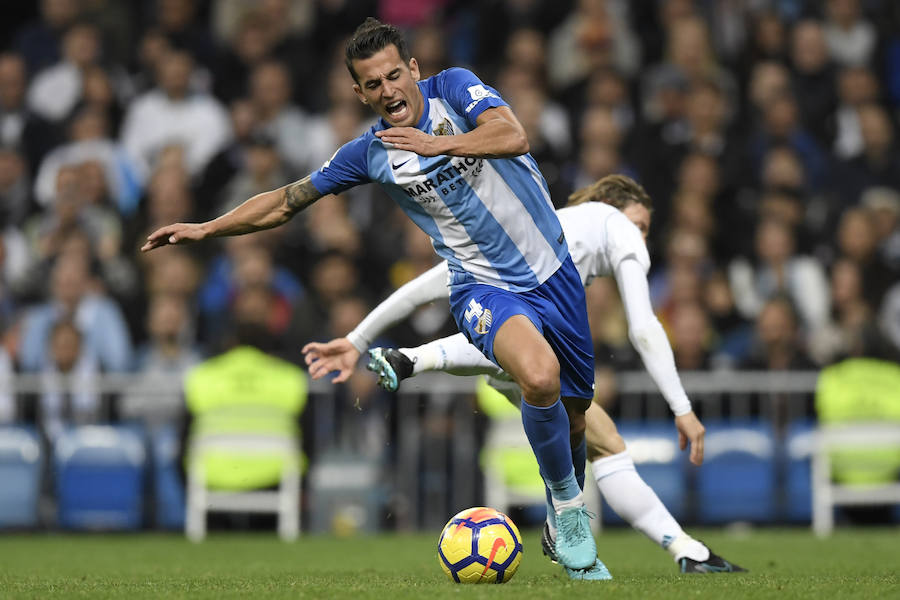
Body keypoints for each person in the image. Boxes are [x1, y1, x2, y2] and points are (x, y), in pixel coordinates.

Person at [141, 18, 603, 579]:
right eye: (372, 84)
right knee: (539, 376)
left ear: (413, 70)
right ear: (359, 93)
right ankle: (573, 511)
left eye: (393, 75)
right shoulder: (368, 153)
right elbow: (287, 201)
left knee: (575, 416)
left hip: (554, 274)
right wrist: (208, 228)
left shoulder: (455, 88)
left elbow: (513, 135)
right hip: (481, 285)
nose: (387, 91)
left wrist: (438, 144)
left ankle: (560, 507)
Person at [303, 174, 745, 574]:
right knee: (573, 405)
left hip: (499, 350)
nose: (642, 238)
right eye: (642, 225)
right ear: (615, 208)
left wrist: (358, 339)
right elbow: (644, 327)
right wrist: (682, 408)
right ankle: (591, 529)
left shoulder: (542, 226)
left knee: (604, 442)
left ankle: (685, 550)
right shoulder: (616, 227)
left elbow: (427, 287)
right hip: (529, 360)